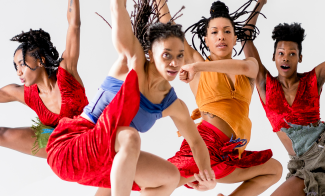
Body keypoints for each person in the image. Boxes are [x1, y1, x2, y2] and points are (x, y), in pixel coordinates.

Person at [46, 0, 215, 195]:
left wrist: (207, 176)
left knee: (170, 177)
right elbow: (117, 8)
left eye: (180, 56)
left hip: (105, 158)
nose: (174, 63)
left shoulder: (173, 104)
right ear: (151, 53)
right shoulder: (130, 62)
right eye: (167, 55)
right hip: (72, 148)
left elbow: (196, 142)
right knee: (129, 136)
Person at [155, 0, 282, 195]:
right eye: (214, 32)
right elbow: (170, 29)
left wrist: (197, 67)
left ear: (234, 38)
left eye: (227, 32)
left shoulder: (248, 65)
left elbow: (244, 67)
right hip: (205, 146)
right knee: (165, 180)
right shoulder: (195, 63)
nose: (221, 36)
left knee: (274, 169)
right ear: (206, 39)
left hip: (231, 153)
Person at [242, 0, 325, 195]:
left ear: (300, 58)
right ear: (274, 58)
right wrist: (258, 5)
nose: (286, 57)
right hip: (301, 163)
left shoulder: (312, 80)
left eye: (292, 53)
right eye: (281, 53)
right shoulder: (265, 84)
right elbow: (245, 37)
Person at [0, 0, 87, 158]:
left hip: (89, 136)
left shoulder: (67, 73)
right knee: (2, 134)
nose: (18, 72)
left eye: (22, 64)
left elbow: (74, 25)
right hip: (59, 143)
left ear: (41, 60)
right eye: (16, 67)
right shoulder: (28, 94)